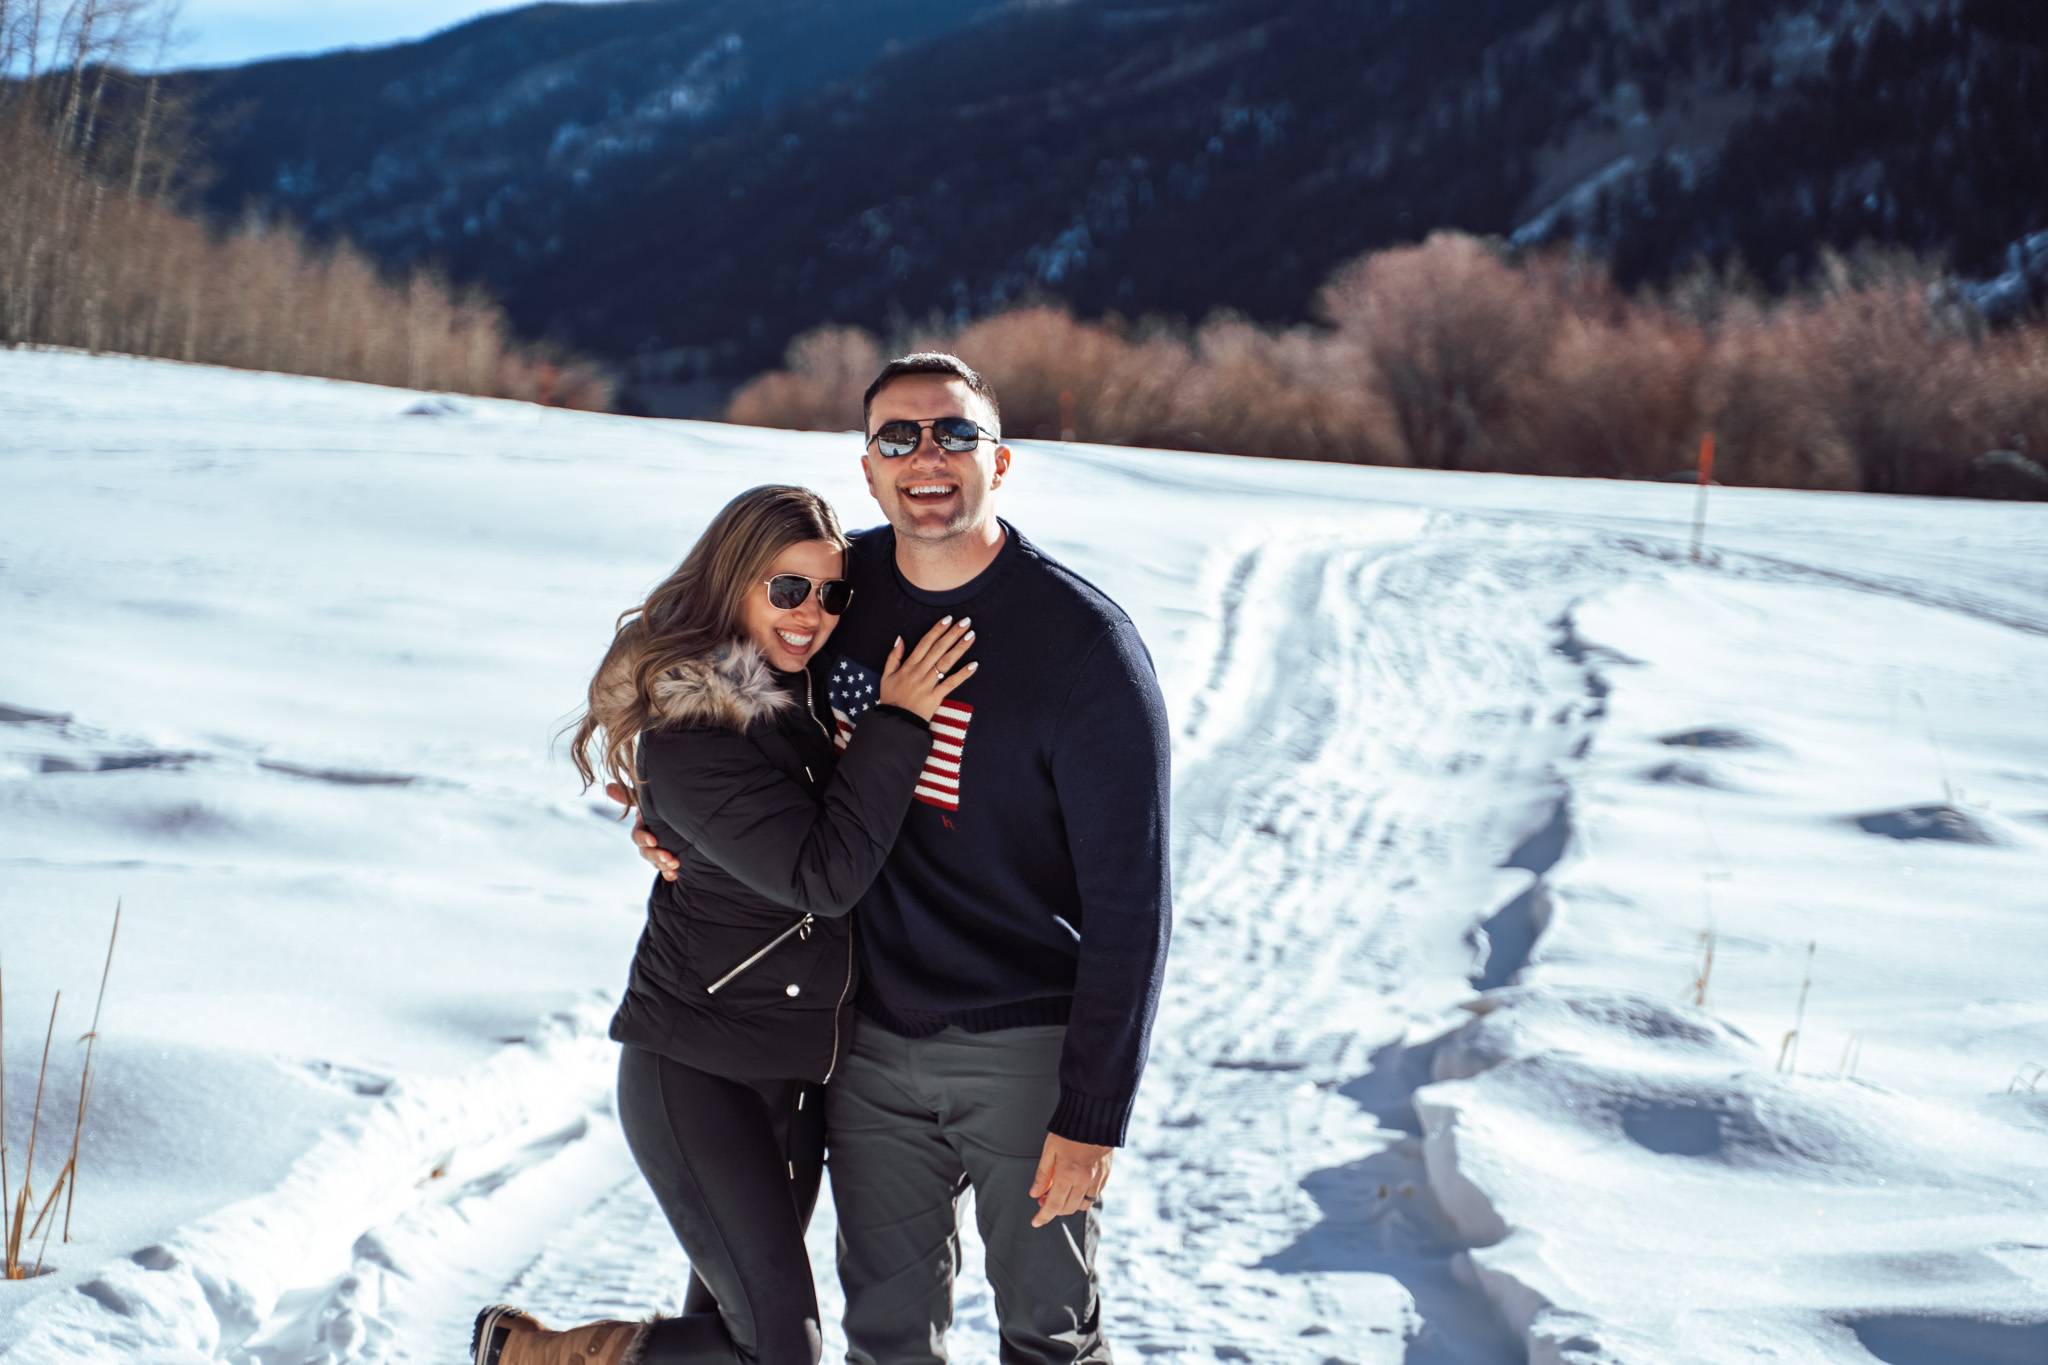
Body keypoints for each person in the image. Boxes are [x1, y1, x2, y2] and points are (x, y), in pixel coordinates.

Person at [626, 354, 1174, 1363]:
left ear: (997, 461)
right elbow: (715, 710)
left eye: (953, 434)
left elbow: (1132, 903)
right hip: (862, 1045)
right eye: (897, 438)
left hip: (1022, 1047)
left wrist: (1094, 1112)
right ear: (868, 469)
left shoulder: (1083, 648)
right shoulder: (836, 594)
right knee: (886, 1338)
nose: (926, 456)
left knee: (1050, 1334)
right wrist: (662, 809)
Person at [473, 485, 981, 1365]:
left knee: (739, 1335)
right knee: (781, 1350)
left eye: (831, 594)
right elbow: (822, 875)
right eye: (788, 590)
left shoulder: (803, 703)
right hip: (695, 1071)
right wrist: (901, 723)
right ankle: (536, 1355)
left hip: (794, 1076)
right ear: (733, 582)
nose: (812, 614)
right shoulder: (693, 736)